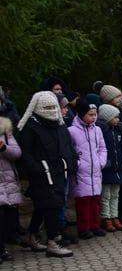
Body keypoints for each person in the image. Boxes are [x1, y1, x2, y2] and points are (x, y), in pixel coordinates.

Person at [16, 91, 76, 257]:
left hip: (58, 171)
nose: (51, 111)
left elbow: (67, 146)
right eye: (47, 107)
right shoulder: (30, 127)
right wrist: (36, 168)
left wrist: (70, 162)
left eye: (53, 107)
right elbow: (24, 153)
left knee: (45, 206)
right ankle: (53, 241)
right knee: (51, 205)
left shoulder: (59, 124)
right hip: (42, 174)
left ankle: (32, 235)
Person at [68, 99, 108, 239]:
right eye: (90, 114)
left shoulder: (97, 130)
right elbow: (70, 151)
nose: (93, 117)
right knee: (83, 202)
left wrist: (101, 162)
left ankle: (95, 225)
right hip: (81, 173)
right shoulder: (72, 131)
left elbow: (102, 148)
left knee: (95, 200)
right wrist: (78, 164)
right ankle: (84, 228)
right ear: (81, 114)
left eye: (95, 114)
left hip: (95, 171)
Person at [98, 104, 122, 232]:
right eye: (115, 117)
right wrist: (105, 162)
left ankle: (114, 216)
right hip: (108, 169)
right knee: (106, 196)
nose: (118, 119)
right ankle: (106, 218)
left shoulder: (118, 131)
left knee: (115, 194)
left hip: (118, 168)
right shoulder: (102, 132)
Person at [0, 116, 22, 263]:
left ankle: (2, 249)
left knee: (5, 218)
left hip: (6, 181)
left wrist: (4, 148)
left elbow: (17, 153)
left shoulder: (5, 130)